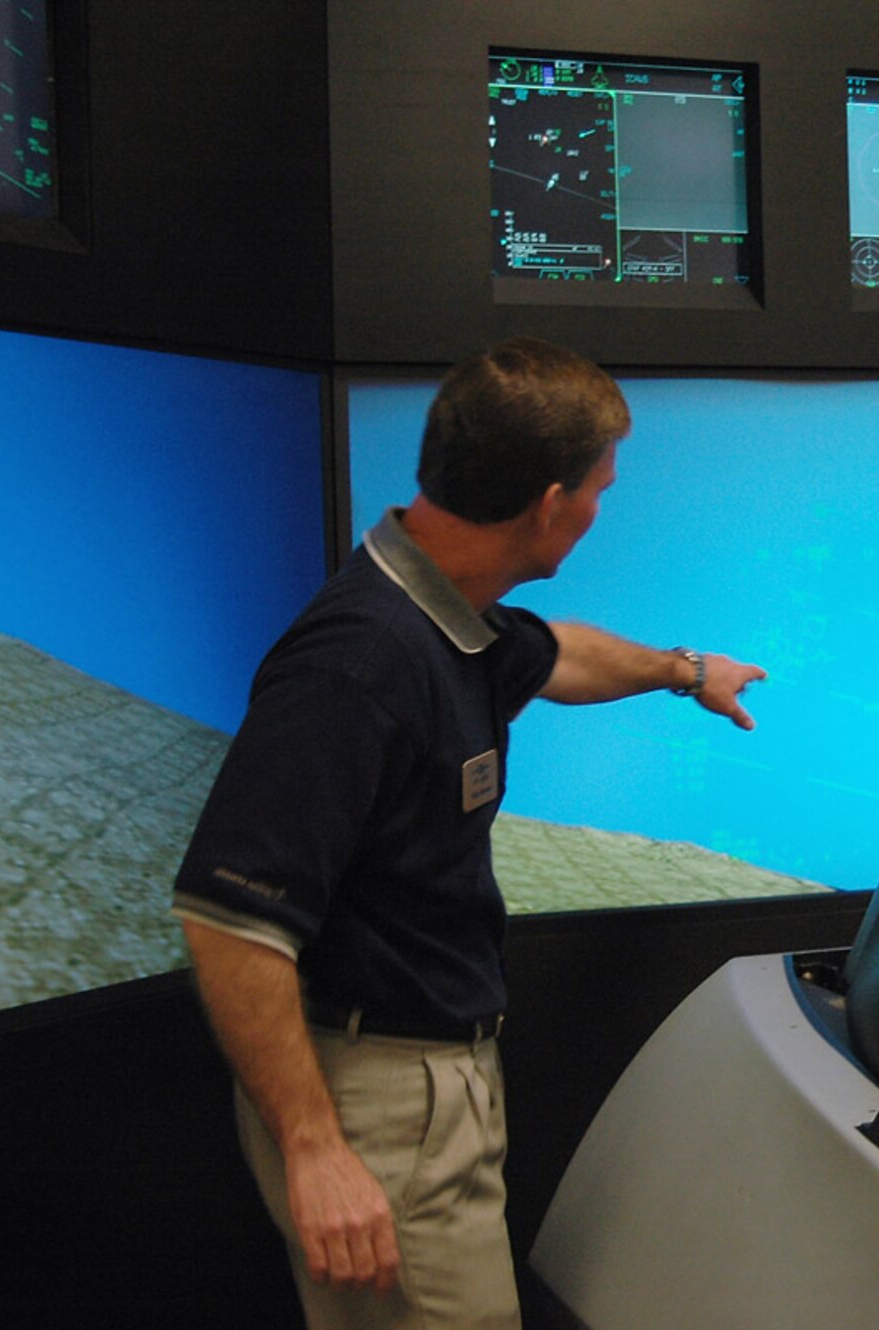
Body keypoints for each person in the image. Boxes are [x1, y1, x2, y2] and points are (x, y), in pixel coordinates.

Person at [172, 337, 767, 1329]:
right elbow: (227, 922)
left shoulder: (451, 617)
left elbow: (562, 655)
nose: (596, 514)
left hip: (420, 1084)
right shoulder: (357, 665)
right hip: (371, 1105)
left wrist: (684, 671)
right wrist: (319, 1152)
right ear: (547, 504)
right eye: (598, 492)